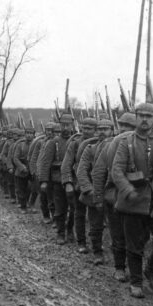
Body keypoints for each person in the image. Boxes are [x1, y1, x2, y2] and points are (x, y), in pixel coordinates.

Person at [111, 103, 153, 298]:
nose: (144, 119)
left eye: (149, 116)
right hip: (133, 200)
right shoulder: (126, 142)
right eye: (141, 115)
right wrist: (127, 189)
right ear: (136, 117)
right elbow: (117, 170)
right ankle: (136, 281)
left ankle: (151, 271)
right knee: (134, 244)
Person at [93, 112, 137, 281]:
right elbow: (98, 173)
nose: (126, 130)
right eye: (123, 126)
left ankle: (137, 272)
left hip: (136, 197)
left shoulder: (142, 146)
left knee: (137, 238)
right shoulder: (110, 146)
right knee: (118, 235)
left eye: (130, 127)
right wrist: (98, 197)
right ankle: (119, 267)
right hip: (115, 197)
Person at [76, 117, 114, 265]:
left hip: (113, 193)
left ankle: (118, 256)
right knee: (96, 225)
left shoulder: (119, 146)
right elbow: (81, 171)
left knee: (116, 226)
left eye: (105, 129)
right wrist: (89, 189)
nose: (102, 132)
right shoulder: (90, 149)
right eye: (99, 129)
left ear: (112, 131)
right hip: (95, 191)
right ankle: (97, 252)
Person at [38, 113, 75, 244]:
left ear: (72, 125)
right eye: (63, 125)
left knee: (74, 209)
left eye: (68, 125)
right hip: (57, 181)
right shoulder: (53, 142)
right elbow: (45, 162)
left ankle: (70, 230)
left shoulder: (76, 141)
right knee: (60, 208)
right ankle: (60, 232)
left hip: (74, 181)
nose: (65, 128)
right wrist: (44, 181)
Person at [62, 117, 97, 252]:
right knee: (79, 213)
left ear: (95, 130)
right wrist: (68, 182)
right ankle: (81, 242)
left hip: (96, 184)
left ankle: (96, 243)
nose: (86, 131)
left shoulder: (101, 143)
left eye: (90, 129)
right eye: (84, 128)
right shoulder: (75, 144)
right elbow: (66, 165)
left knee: (96, 216)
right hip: (79, 183)